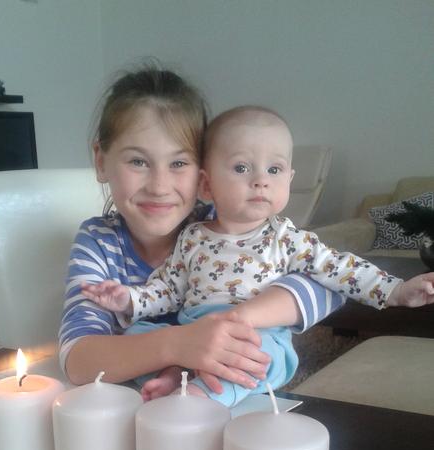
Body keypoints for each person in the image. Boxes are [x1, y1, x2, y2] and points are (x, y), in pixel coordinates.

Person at [82, 103, 434, 406]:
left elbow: (341, 269)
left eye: (274, 170)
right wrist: (129, 299)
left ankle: (202, 394)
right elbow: (168, 288)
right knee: (137, 333)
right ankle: (175, 374)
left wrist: (396, 290)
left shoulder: (287, 238)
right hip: (195, 332)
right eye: (241, 168)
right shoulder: (192, 237)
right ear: (206, 184)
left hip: (255, 334)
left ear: (289, 179)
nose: (260, 180)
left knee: (262, 354)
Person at [60, 65, 346, 397]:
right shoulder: (99, 242)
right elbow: (77, 360)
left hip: (234, 396)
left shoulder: (226, 227)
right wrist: (179, 344)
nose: (159, 186)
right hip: (142, 405)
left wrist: (236, 318)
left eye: (179, 163)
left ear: (205, 172)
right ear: (101, 161)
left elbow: (332, 284)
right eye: (138, 161)